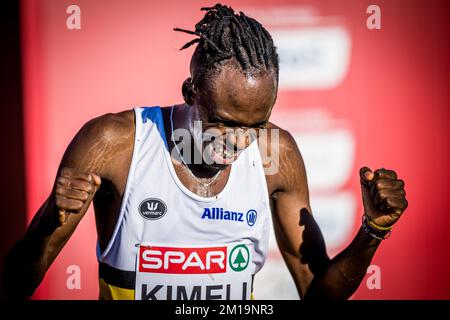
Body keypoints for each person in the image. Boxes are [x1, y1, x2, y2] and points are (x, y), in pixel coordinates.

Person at [3, 4, 407, 300]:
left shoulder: (276, 154)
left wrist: (374, 229)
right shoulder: (116, 143)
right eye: (226, 123)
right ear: (190, 92)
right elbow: (16, 283)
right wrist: (46, 224)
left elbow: (317, 293)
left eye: (256, 124)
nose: (240, 141)